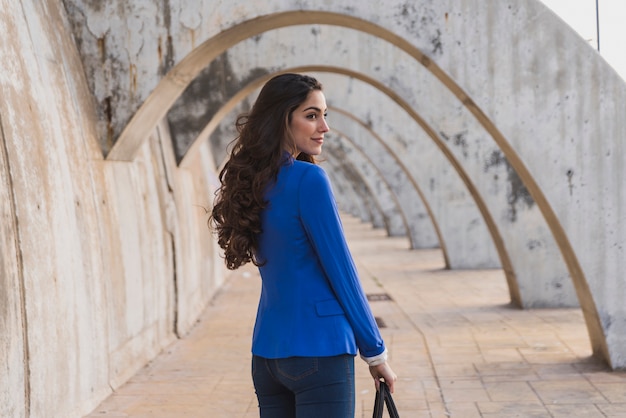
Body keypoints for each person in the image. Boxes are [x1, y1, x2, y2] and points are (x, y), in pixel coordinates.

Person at [209, 73, 396, 418]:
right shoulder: (310, 180)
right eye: (311, 116)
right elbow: (342, 272)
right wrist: (375, 353)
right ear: (282, 119)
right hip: (320, 351)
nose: (323, 126)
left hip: (267, 354)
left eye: (325, 115)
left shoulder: (251, 182)